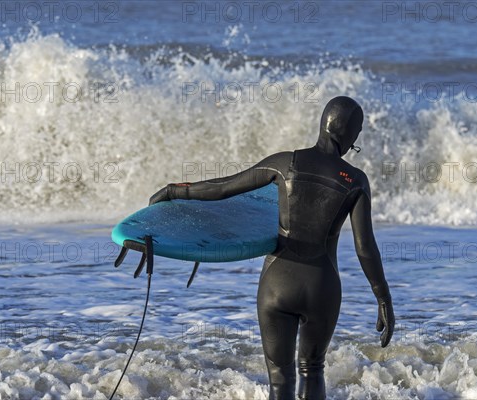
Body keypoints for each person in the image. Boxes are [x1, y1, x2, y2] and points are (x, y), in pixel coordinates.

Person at [149, 96, 395, 400]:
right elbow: (365, 247)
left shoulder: (285, 163)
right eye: (356, 137)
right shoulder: (356, 180)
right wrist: (383, 298)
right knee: (313, 369)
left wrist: (175, 190)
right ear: (347, 133)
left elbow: (223, 187)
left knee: (280, 379)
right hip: (322, 287)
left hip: (278, 285)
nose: (354, 144)